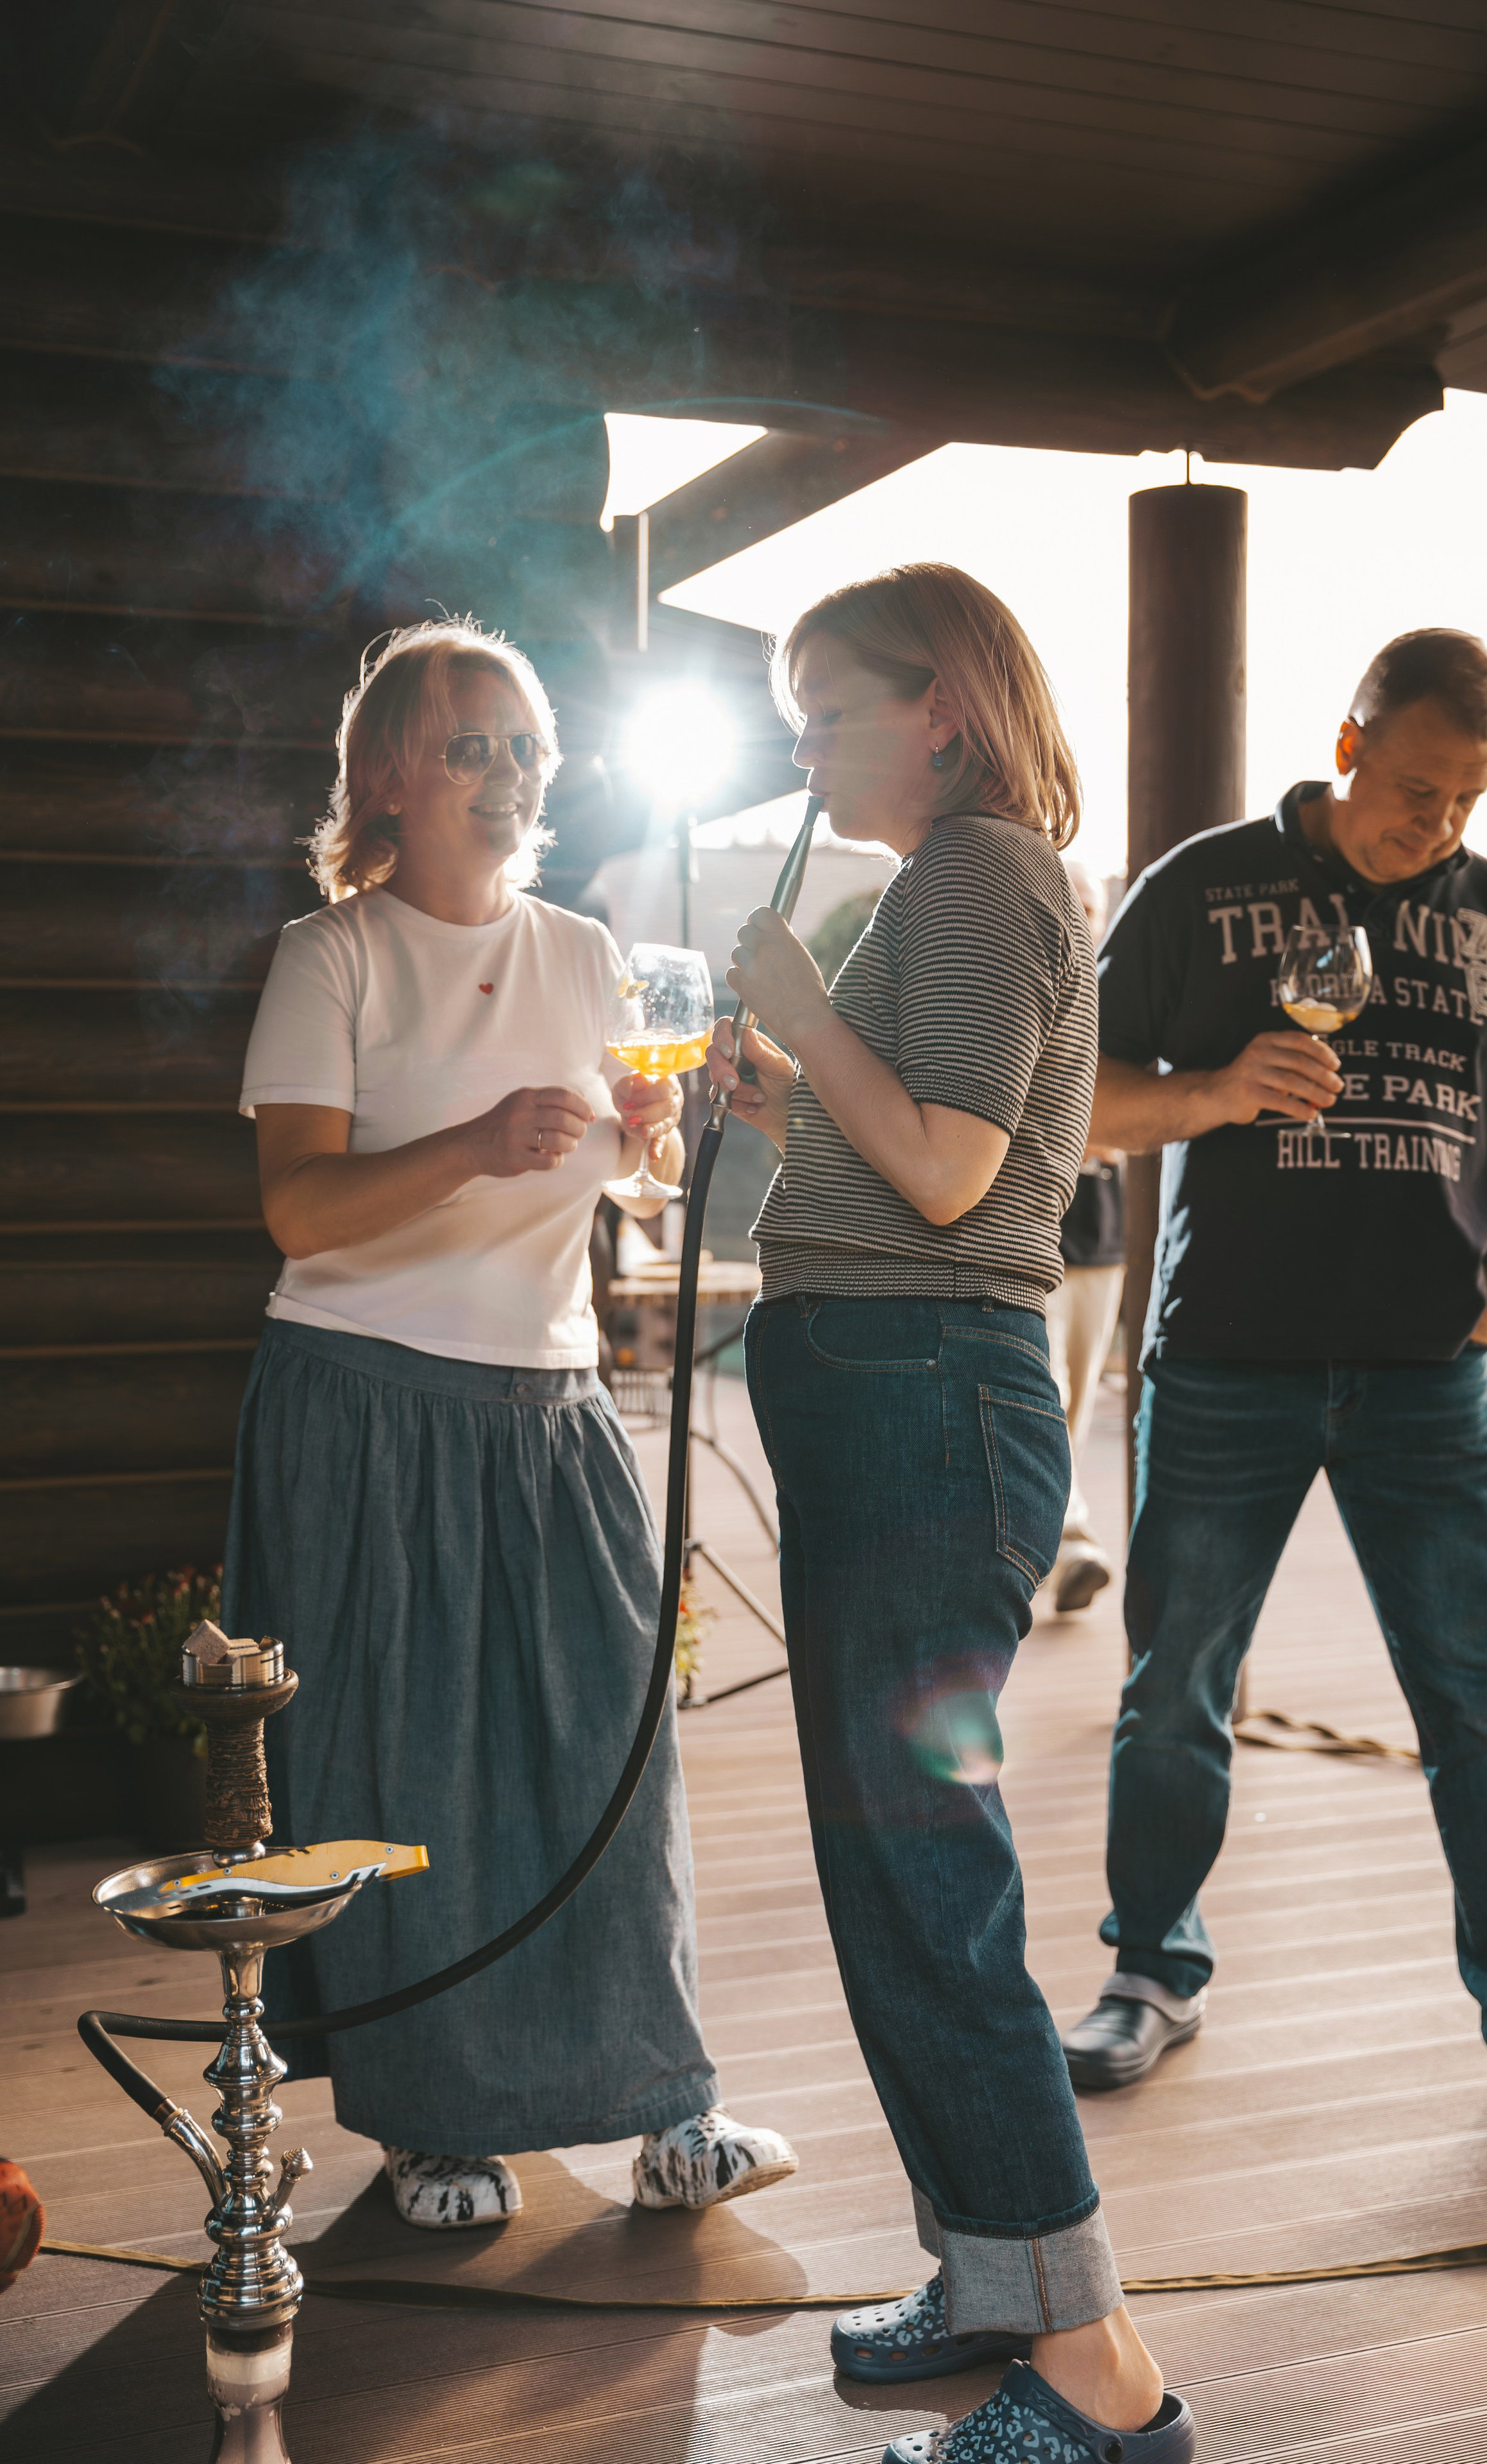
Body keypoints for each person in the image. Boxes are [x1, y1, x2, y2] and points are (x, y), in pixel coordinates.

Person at [708, 567, 1195, 2463]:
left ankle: (1099, 2375)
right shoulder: (942, 887)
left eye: (827, 707)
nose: (804, 744)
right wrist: (774, 1093)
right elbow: (885, 1143)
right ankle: (995, 2269)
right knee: (884, 1867)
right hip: (877, 1393)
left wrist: (800, 1008)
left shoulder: (981, 871)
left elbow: (949, 1167)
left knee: (929, 1878)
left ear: (945, 710)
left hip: (925, 1402)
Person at [223, 617, 795, 2229]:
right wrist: (473, 1139)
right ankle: (433, 2122)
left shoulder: (585, 955)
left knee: (606, 1738)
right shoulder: (328, 957)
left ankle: (663, 2104)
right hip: (366, 1397)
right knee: (403, 1761)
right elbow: (297, 1208)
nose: (502, 772)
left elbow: (630, 1174)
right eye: (465, 743)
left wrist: (641, 1138)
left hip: (550, 1403)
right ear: (386, 774)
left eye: (524, 744)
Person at [1062, 628, 1487, 2157]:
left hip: (1422, 1381)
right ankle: (1148, 1969)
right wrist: (1214, 1090)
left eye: (1463, 798)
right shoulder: (1198, 886)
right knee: (1171, 1689)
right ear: (1346, 739)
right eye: (1410, 786)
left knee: (1481, 1701)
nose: (1430, 824)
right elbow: (1075, 1106)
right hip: (1219, 1360)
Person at [1048, 857, 1126, 1613]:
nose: (1082, 914)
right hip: (1030, 1237)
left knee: (1072, 1407)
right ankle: (1069, 1542)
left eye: (1092, 905)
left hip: (1103, 1239)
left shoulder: (1118, 1004)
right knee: (1042, 1399)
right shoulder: (1022, 985)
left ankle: (1053, 1539)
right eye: (1071, 900)